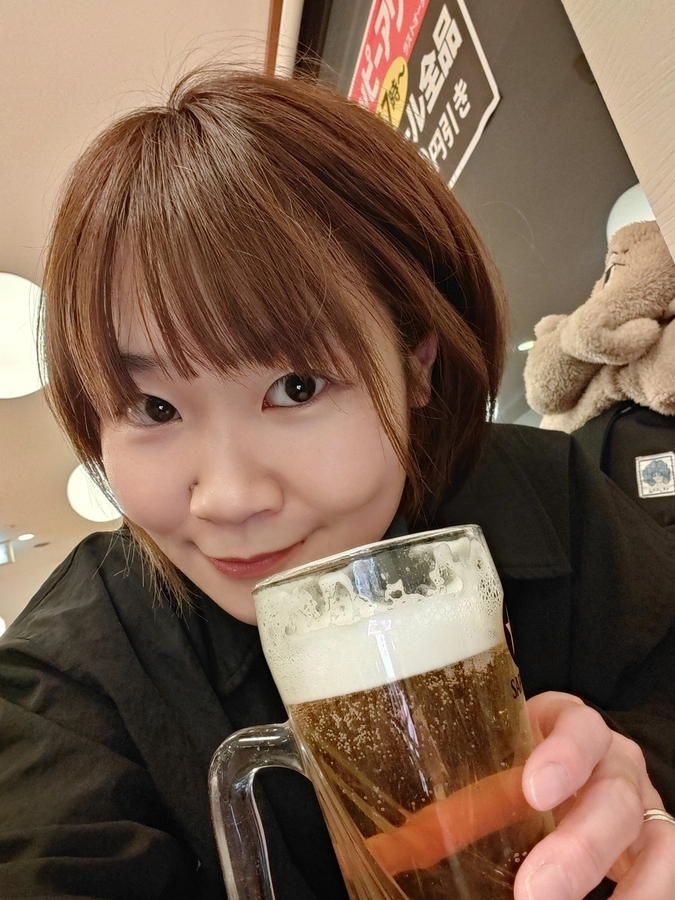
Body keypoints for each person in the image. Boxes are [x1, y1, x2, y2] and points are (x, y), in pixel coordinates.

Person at [0, 68, 674, 900]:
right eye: (152, 407)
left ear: (415, 365)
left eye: (296, 387)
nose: (228, 498)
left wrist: (644, 798)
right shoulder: (68, 674)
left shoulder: (545, 494)